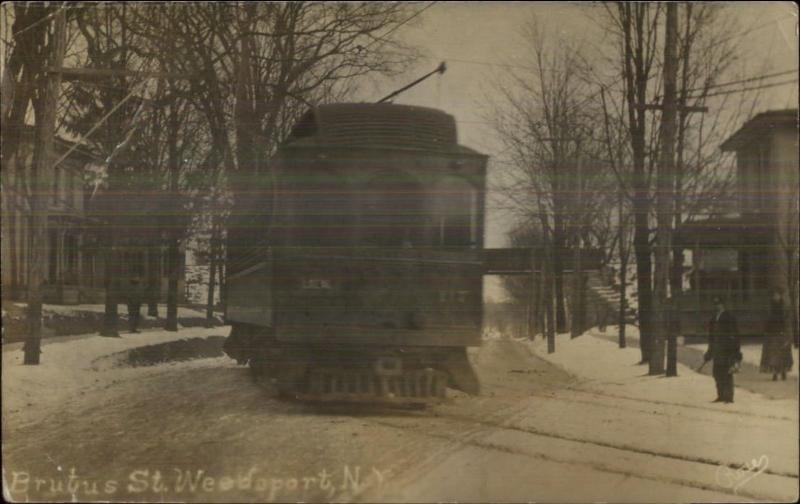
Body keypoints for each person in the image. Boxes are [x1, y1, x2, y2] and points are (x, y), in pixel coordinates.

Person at [703, 297, 742, 404]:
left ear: (723, 305)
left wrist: (735, 350)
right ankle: (720, 395)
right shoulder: (713, 319)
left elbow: (735, 335)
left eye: (719, 304)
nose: (717, 306)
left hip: (727, 350)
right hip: (717, 351)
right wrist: (709, 351)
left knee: (727, 373)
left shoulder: (729, 317)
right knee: (717, 373)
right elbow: (711, 337)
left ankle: (728, 397)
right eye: (715, 304)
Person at [759, 290, 794, 381]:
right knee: (773, 354)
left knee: (783, 352)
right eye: (774, 295)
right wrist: (766, 330)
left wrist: (787, 332)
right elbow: (767, 320)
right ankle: (775, 373)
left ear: (780, 296)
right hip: (772, 333)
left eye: (777, 295)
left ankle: (783, 372)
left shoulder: (784, 308)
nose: (775, 296)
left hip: (782, 332)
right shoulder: (770, 308)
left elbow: (786, 321)